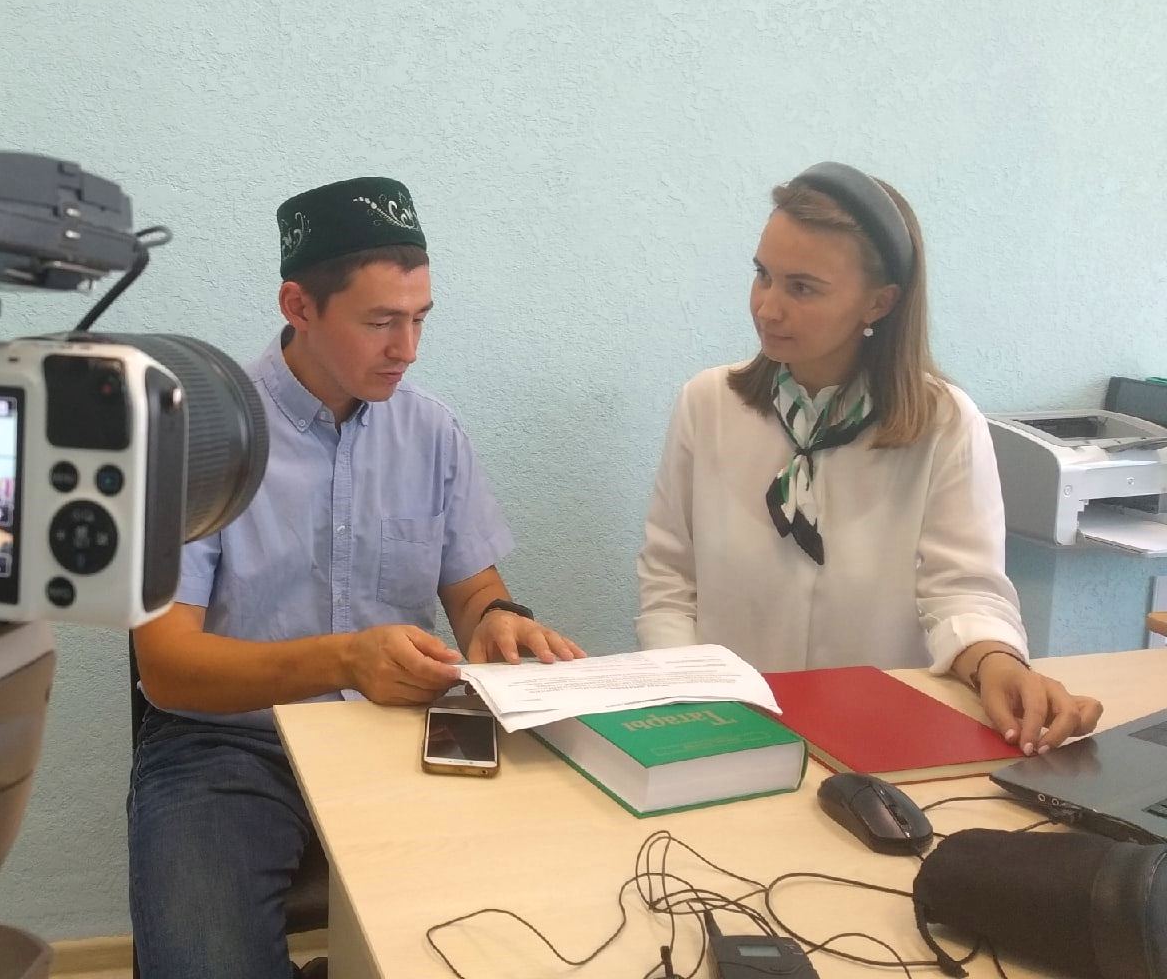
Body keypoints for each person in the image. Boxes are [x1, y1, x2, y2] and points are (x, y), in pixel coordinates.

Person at [128, 177, 585, 979]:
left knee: (525, 933)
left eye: (419, 319)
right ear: (298, 306)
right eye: (380, 322)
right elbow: (167, 668)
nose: (407, 348)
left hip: (400, 732)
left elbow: (474, 593)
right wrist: (345, 659)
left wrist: (501, 618)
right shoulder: (200, 433)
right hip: (231, 744)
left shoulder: (431, 430)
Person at [635, 162, 1103, 756]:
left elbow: (962, 590)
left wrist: (997, 661)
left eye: (802, 287)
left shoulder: (943, 422)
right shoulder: (709, 404)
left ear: (879, 303)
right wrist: (689, 695)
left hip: (877, 735)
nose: (768, 308)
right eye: (762, 275)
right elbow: (670, 578)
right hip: (728, 728)